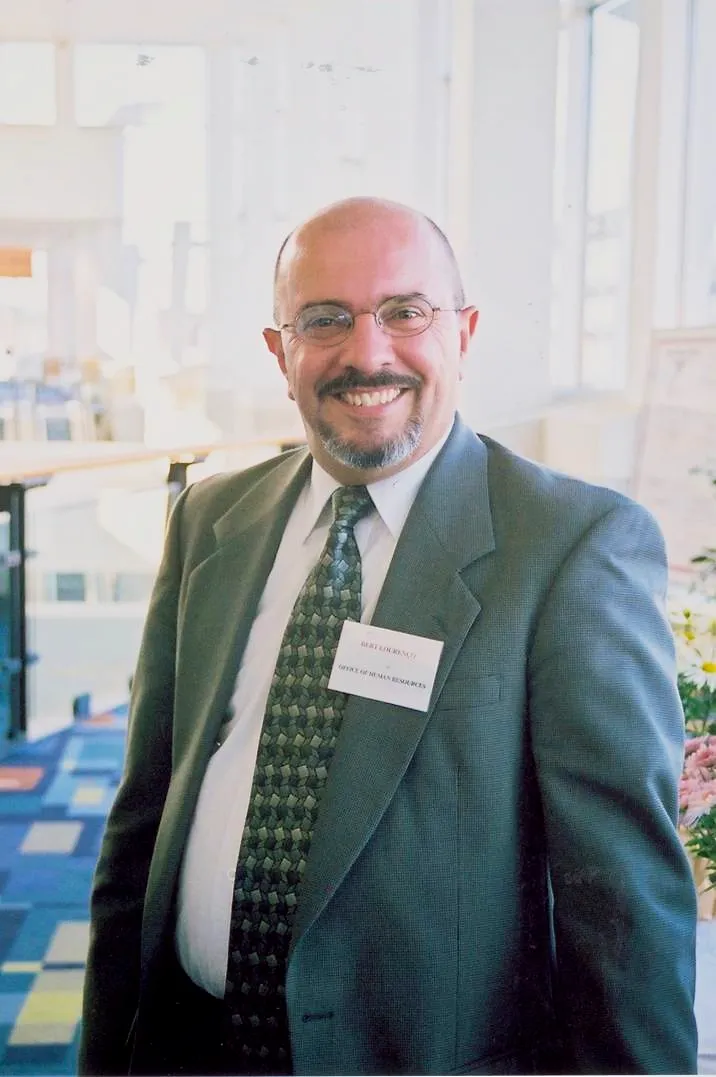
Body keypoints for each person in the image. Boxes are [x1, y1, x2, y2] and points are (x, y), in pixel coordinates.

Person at [80, 196, 698, 1076]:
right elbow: (141, 818)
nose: (367, 352)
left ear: (464, 333)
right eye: (324, 319)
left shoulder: (570, 548)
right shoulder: (213, 517)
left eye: (406, 312)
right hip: (189, 1042)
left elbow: (624, 908)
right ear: (279, 350)